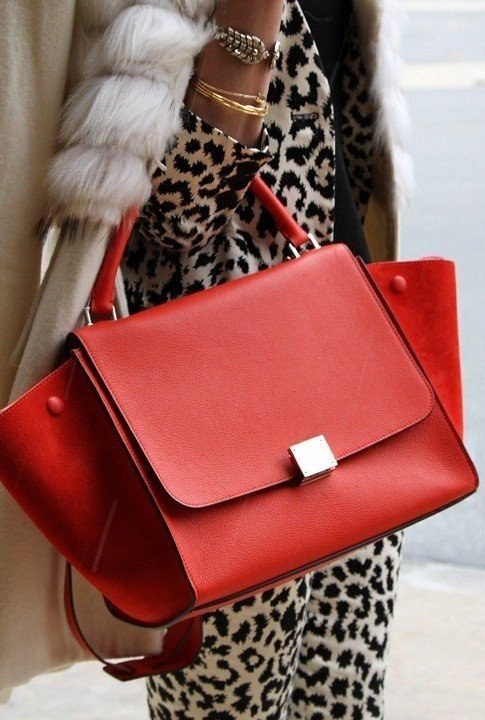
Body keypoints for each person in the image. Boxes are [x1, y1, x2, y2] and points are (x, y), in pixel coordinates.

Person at [0, 0, 413, 712]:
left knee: (344, 696)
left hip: (356, 366)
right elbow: (179, 210)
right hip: (220, 423)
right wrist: (249, 26)